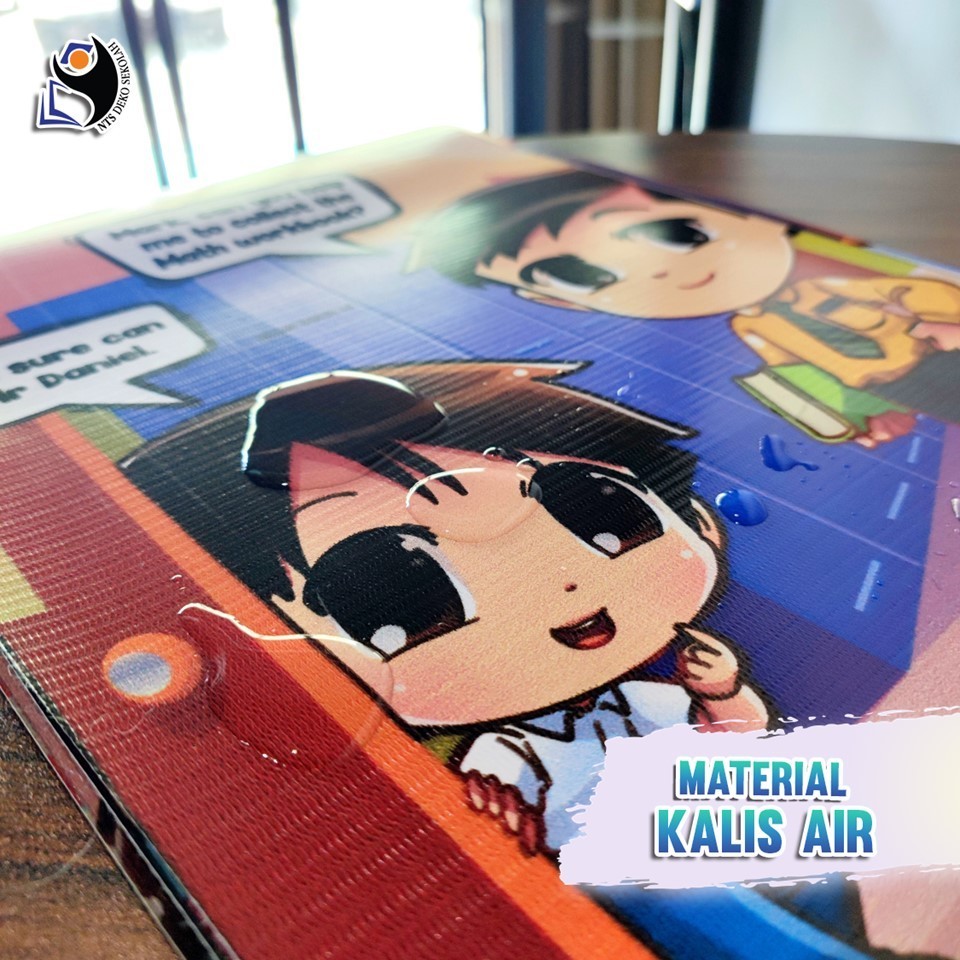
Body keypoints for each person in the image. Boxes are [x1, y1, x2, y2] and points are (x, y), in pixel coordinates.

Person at [122, 360, 769, 854]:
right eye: (404, 600)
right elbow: (504, 830)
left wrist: (722, 692)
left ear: (696, 521)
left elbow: (742, 741)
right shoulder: (507, 754)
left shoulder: (651, 700)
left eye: (603, 516)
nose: (560, 589)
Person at [410, 170, 960, 446]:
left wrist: (941, 321)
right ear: (557, 301)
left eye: (677, 233)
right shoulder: (753, 327)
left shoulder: (840, 270)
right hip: (905, 387)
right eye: (581, 276)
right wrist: (866, 416)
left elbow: (914, 293)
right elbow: (799, 374)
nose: (659, 270)